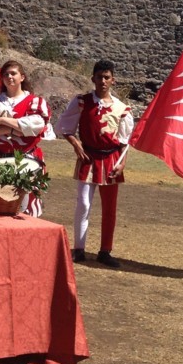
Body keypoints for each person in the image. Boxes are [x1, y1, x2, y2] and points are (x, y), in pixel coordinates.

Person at [57, 60, 134, 267]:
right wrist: (76, 144)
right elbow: (64, 126)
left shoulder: (122, 108)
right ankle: (79, 249)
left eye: (106, 77)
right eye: (99, 77)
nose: (102, 81)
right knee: (83, 204)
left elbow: (125, 142)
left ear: (112, 80)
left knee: (110, 208)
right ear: (93, 79)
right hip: (88, 158)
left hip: (111, 160)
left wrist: (122, 164)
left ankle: (105, 251)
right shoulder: (82, 102)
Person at [0, 60, 51, 216]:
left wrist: (2, 121)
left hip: (27, 159)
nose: (9, 77)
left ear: (22, 77)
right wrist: (17, 128)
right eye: (6, 74)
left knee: (27, 208)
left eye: (13, 73)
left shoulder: (35, 102)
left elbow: (36, 126)